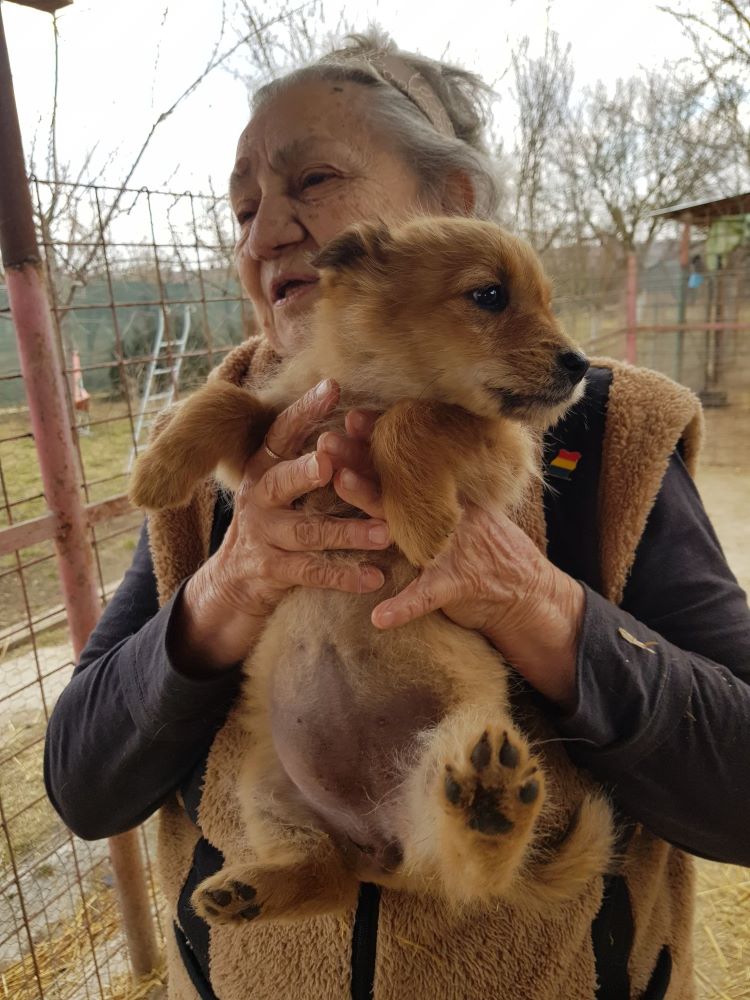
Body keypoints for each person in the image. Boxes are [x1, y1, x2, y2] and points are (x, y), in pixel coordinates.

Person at [44, 31, 750, 1000]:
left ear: (449, 203)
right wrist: (229, 585)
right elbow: (83, 788)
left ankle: (477, 818)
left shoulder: (607, 431)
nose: (266, 233)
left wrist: (539, 605)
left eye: (315, 179)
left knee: (465, 778)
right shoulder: (232, 436)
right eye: (244, 209)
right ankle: (310, 864)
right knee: (276, 807)